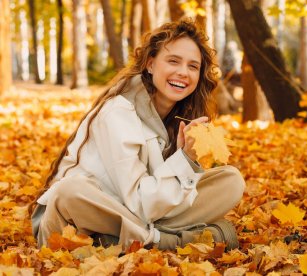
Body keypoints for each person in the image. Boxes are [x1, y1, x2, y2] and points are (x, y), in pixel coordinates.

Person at [31, 19, 246, 251]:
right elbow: (139, 204)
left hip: (138, 215)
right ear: (150, 64)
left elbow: (159, 198)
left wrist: (188, 161)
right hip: (78, 222)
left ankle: (120, 240)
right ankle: (164, 241)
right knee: (69, 192)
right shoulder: (118, 112)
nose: (183, 72)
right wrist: (183, 160)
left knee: (231, 180)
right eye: (173, 61)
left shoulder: (179, 119)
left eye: (193, 66)